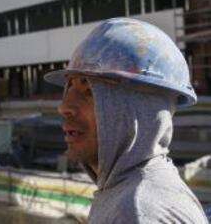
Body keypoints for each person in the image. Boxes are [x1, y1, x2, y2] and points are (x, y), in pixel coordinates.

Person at [44, 18, 208, 223]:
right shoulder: (128, 191)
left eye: (89, 92)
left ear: (140, 110)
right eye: (69, 88)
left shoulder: (137, 210)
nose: (64, 107)